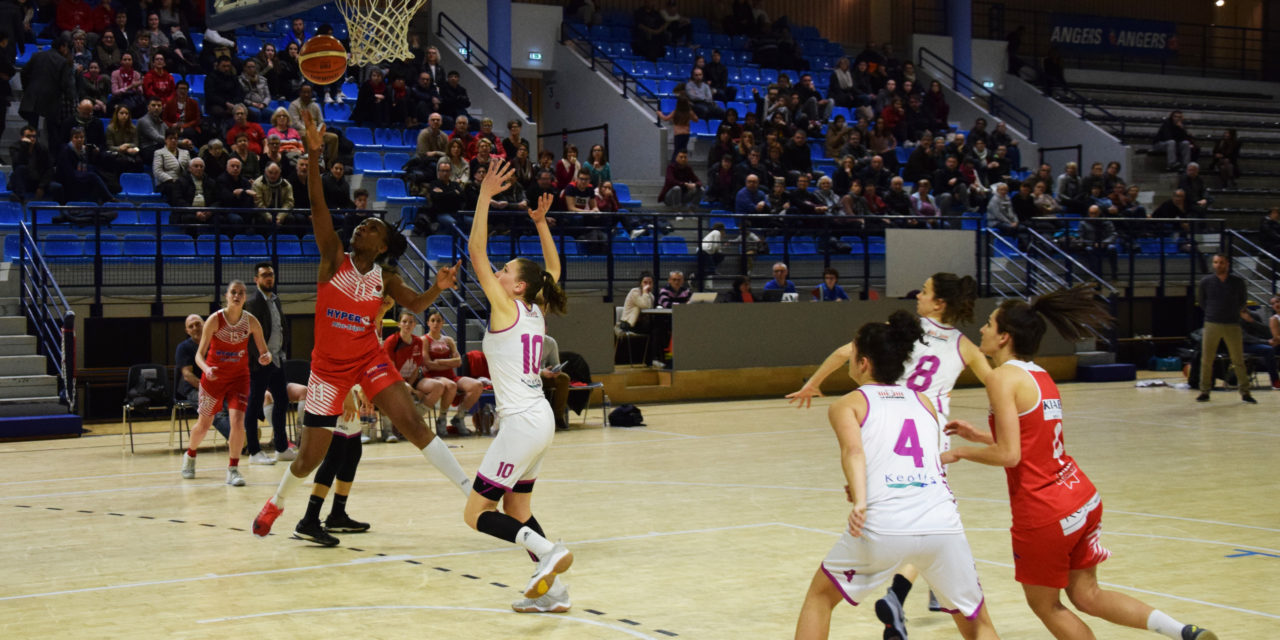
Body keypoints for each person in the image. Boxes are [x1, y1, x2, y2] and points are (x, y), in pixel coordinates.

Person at [942, 285, 1218, 640]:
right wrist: (980, 437)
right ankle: (1183, 631)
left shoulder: (999, 378)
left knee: (1046, 605)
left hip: (1044, 510)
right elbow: (1032, 441)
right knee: (1088, 595)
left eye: (990, 324)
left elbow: (1010, 455)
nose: (982, 329)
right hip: (1081, 497)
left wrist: (958, 452)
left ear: (1004, 337)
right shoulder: (1039, 376)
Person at [252, 110, 471, 547]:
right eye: (361, 224)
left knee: (412, 424)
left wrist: (438, 288)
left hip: (368, 358)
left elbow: (413, 303)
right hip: (328, 370)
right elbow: (316, 206)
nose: (360, 227)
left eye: (370, 227)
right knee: (311, 456)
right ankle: (276, 504)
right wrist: (313, 156)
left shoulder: (385, 279)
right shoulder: (334, 258)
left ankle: (472, 492)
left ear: (383, 245)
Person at [792, 310, 998, 640]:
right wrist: (866, 484)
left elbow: (854, 452)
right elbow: (920, 463)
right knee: (977, 624)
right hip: (941, 524)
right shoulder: (924, 402)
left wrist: (861, 499)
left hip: (886, 524)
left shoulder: (848, 404)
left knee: (819, 598)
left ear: (862, 363)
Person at [464, 163, 575, 613]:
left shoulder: (506, 307)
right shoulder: (534, 308)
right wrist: (541, 224)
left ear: (518, 285)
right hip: (540, 420)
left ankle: (549, 552)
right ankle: (555, 594)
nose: (499, 271)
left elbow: (475, 251)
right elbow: (553, 267)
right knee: (518, 509)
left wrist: (485, 197)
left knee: (475, 514)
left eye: (505, 270)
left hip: (522, 423)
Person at [180, 281, 273, 487]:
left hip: (239, 378)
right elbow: (198, 356)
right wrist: (207, 369)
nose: (237, 295)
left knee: (237, 422)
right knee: (204, 425)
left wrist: (265, 357)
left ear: (245, 297)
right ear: (227, 295)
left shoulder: (251, 322)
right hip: (213, 379)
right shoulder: (215, 320)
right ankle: (190, 454)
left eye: (241, 293)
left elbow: (264, 352)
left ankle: (233, 469)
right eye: (233, 292)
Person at [295, 384, 373, 536]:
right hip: (332, 392)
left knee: (352, 452)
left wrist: (362, 388)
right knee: (334, 455)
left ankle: (337, 515)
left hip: (346, 390)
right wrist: (346, 394)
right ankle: (309, 520)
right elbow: (336, 367)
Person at [245, 262, 295, 465]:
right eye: (264, 275)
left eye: (271, 274)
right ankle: (254, 452)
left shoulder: (276, 300)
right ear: (256, 279)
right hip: (260, 362)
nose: (269, 278)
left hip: (276, 359)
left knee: (282, 401)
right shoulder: (252, 303)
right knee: (254, 404)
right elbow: (248, 336)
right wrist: (259, 356)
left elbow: (280, 327)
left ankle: (281, 448)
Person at [1196, 253, 1254, 403]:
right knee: (1207, 359)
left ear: (1227, 264)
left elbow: (1242, 301)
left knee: (1238, 359)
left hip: (1232, 324)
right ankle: (1205, 391)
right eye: (1215, 262)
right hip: (1212, 324)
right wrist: (1212, 312)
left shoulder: (1237, 282)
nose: (1218, 265)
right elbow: (1202, 301)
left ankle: (1245, 393)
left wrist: (1233, 312)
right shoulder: (1206, 282)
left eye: (1221, 262)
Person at [423, 310, 485, 437]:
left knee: (477, 385)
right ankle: (442, 419)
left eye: (439, 320)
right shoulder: (424, 340)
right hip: (433, 377)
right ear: (428, 323)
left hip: (451, 376)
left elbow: (458, 362)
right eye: (433, 320)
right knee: (451, 385)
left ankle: (459, 417)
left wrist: (440, 361)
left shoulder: (449, 340)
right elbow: (428, 364)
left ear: (443, 323)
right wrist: (449, 362)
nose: (436, 323)